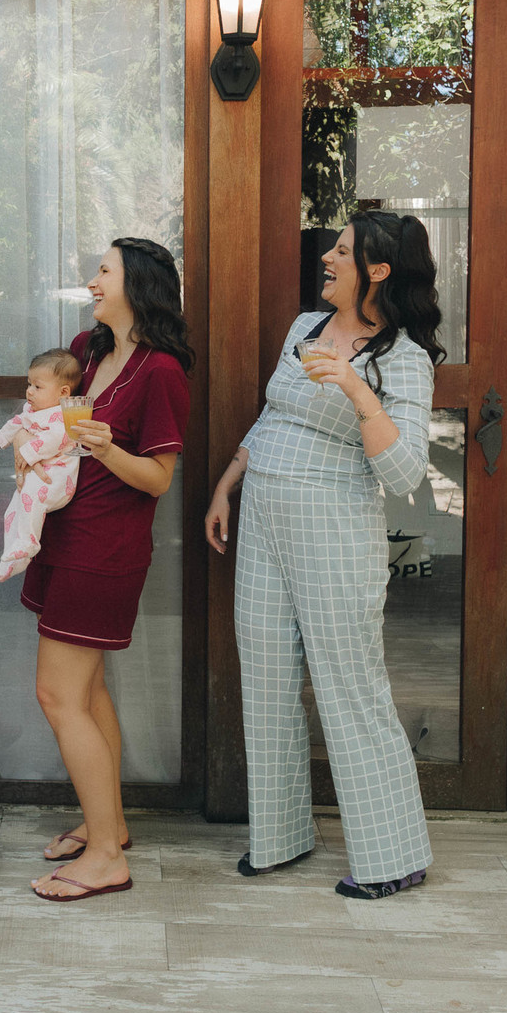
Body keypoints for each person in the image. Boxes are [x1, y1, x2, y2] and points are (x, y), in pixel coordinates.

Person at [206, 210, 442, 900]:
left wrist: (355, 385)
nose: (327, 259)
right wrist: (228, 481)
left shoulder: (403, 359)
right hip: (264, 516)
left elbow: (404, 472)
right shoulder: (305, 327)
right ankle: (281, 836)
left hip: (334, 525)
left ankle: (393, 856)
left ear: (378, 270)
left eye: (342, 251)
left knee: (348, 683)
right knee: (267, 675)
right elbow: (275, 412)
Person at [29, 239, 192, 903]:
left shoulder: (162, 371)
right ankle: (111, 826)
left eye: (104, 271)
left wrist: (103, 448)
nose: (92, 280)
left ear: (138, 284)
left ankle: (104, 857)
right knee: (87, 691)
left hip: (104, 551)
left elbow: (157, 478)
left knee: (56, 695)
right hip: (61, 536)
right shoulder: (86, 351)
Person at [0, 347, 83, 582]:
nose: (29, 391)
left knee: (30, 498)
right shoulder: (33, 410)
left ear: (63, 392)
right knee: (12, 510)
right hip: (38, 478)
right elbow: (16, 423)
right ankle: (13, 558)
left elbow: (55, 440)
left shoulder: (64, 415)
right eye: (29, 384)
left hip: (56, 480)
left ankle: (29, 543)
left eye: (37, 387)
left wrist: (25, 452)